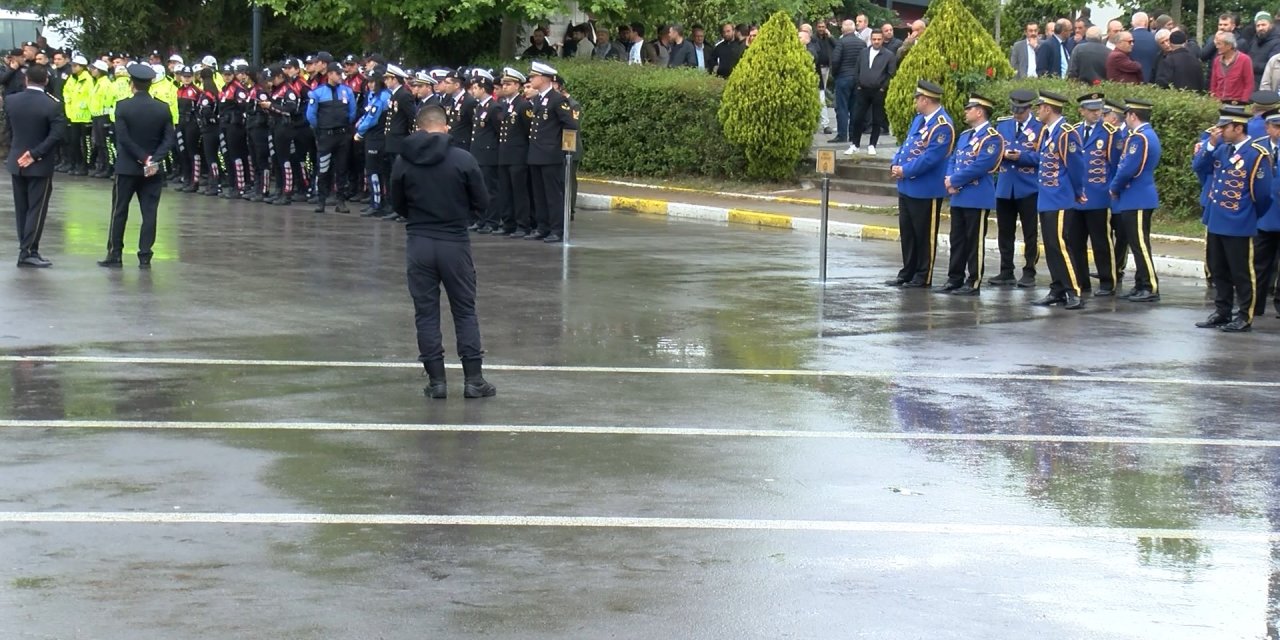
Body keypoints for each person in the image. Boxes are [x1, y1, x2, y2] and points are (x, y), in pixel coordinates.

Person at [389, 105, 496, 399]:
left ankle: (436, 381)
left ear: (419, 128)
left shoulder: (403, 160)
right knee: (464, 310)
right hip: (454, 241)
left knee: (425, 312)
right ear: (446, 127)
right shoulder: (463, 159)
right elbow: (482, 201)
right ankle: (474, 379)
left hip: (419, 240)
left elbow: (396, 202)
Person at [1195, 105, 1272, 332]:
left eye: (1224, 127)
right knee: (1219, 269)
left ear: (1238, 128)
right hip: (1216, 218)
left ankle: (1244, 315)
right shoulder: (1221, 149)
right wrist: (1209, 145)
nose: (1219, 131)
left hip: (1239, 221)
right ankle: (1222, 310)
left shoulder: (1256, 154)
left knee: (1242, 272)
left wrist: (1249, 215)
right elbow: (1198, 166)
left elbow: (1263, 194)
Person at [97, 63, 176, 269]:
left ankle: (115, 253)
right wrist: (154, 159)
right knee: (149, 213)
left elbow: (123, 138)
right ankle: (145, 255)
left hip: (127, 167)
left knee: (119, 210)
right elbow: (169, 139)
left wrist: (143, 157)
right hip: (153, 169)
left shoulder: (123, 106)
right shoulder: (162, 107)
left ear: (132, 84)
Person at [887, 80, 954, 288]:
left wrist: (905, 170)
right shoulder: (920, 120)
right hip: (907, 185)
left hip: (926, 188)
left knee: (924, 235)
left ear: (925, 100)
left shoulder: (942, 125)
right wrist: (895, 163)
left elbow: (931, 158)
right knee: (908, 232)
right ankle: (908, 270)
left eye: (917, 98)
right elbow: (907, 144)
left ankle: (923, 275)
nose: (915, 102)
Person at [1025, 90, 1086, 310]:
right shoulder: (1048, 132)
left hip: (1060, 197)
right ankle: (1057, 289)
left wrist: (1078, 191)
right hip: (1047, 198)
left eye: (1040, 107)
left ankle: (1074, 290)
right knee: (1050, 246)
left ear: (1048, 109)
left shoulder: (1065, 133)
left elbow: (1076, 166)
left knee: (1060, 245)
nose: (1037, 111)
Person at [941, 93, 1002, 296]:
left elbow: (981, 165)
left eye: (969, 109)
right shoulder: (965, 135)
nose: (966, 112)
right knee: (957, 238)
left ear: (980, 111)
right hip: (959, 195)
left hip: (976, 196)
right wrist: (949, 179)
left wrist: (955, 181)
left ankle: (973, 281)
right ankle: (954, 278)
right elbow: (953, 159)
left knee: (974, 241)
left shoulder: (992, 137)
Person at [4, 63, 65, 268]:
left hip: (17, 159)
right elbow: (56, 135)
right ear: (46, 81)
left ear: (26, 79)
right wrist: (36, 154)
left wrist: (22, 152)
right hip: (39, 163)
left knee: (22, 208)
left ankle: (26, 247)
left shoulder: (11, 101)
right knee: (36, 209)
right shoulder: (52, 104)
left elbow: (10, 130)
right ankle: (28, 251)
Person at [1110, 99, 1163, 303]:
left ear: (1133, 115)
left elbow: (1129, 168)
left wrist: (1114, 187)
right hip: (1136, 197)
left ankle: (1150, 286)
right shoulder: (1143, 135)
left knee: (1140, 245)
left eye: (1128, 115)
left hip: (1137, 197)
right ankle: (1141, 283)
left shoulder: (1140, 138)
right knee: (1136, 243)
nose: (1126, 119)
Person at [1069, 92, 1121, 297]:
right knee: (1075, 242)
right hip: (1076, 198)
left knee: (1101, 242)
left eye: (1099, 110)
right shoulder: (1073, 131)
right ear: (1082, 111)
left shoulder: (1110, 132)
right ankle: (1082, 282)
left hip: (1099, 196)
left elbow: (1116, 165)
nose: (1096, 114)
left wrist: (1111, 191)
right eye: (1091, 110)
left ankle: (1108, 282)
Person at [990, 89, 1042, 288]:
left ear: (1029, 108)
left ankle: (1029, 271)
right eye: (1014, 110)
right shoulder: (1003, 125)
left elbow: (1043, 157)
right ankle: (1006, 270)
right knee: (1005, 231)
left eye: (1020, 110)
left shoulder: (1040, 128)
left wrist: (1021, 157)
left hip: (1028, 186)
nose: (1016, 114)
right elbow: (993, 150)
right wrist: (1003, 154)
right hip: (1005, 185)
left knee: (1030, 232)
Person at [525, 61, 579, 243]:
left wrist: (564, 148)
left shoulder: (557, 99)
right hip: (536, 154)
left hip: (550, 155)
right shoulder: (539, 99)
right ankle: (543, 227)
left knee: (552, 195)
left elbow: (571, 125)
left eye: (533, 76)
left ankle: (557, 229)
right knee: (539, 194)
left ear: (543, 78)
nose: (531, 79)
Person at [305, 62, 357, 213]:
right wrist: (320, 129)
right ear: (330, 74)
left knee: (342, 169)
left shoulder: (347, 91)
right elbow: (311, 115)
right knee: (323, 168)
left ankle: (340, 201)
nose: (341, 76)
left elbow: (352, 112)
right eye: (338, 74)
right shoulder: (318, 92)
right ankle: (321, 200)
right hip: (326, 136)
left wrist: (346, 126)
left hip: (342, 135)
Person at [846, 29, 894, 156]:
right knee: (857, 118)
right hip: (862, 90)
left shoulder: (888, 55)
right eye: (874, 39)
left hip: (878, 91)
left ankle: (872, 144)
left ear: (882, 40)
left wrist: (883, 88)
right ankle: (855, 144)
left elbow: (890, 74)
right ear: (870, 40)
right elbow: (857, 69)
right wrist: (858, 84)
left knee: (877, 119)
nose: (876, 41)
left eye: (879, 39)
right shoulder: (863, 52)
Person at [379, 64, 416, 222]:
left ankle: (402, 209)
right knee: (393, 174)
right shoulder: (394, 95)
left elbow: (411, 118)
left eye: (388, 78)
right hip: (392, 140)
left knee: (399, 175)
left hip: (399, 140)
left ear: (395, 79)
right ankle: (395, 207)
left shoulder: (403, 95)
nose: (386, 81)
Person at [1252, 110, 1280, 319]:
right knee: (1259, 264)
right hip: (1265, 215)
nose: (1279, 132)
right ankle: (1254, 304)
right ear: (1267, 127)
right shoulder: (1258, 147)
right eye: (1276, 127)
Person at [468, 68, 502, 233]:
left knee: (490, 189)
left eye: (475, 88)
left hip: (488, 154)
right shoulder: (479, 107)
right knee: (480, 189)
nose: (473, 90)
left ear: (483, 88)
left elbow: (498, 131)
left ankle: (491, 220)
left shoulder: (493, 107)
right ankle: (481, 219)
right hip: (478, 153)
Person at [828, 19, 864, 145]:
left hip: (843, 78)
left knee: (842, 107)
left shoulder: (841, 42)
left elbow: (835, 60)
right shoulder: (862, 43)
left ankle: (842, 134)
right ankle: (853, 134)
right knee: (854, 107)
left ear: (843, 29)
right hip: (857, 79)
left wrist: (835, 74)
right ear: (854, 29)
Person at [1210, 32, 1254, 101]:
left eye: (1219, 44)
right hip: (1218, 103)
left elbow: (1249, 84)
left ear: (1229, 46)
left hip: (1236, 103)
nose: (1217, 47)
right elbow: (1213, 83)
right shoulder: (1217, 60)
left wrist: (1243, 102)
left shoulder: (1245, 60)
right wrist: (1213, 97)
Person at [1130, 12, 1158, 81]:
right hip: (1152, 80)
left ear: (1132, 24)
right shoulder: (1155, 38)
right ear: (1146, 23)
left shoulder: (1127, 39)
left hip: (1131, 80)